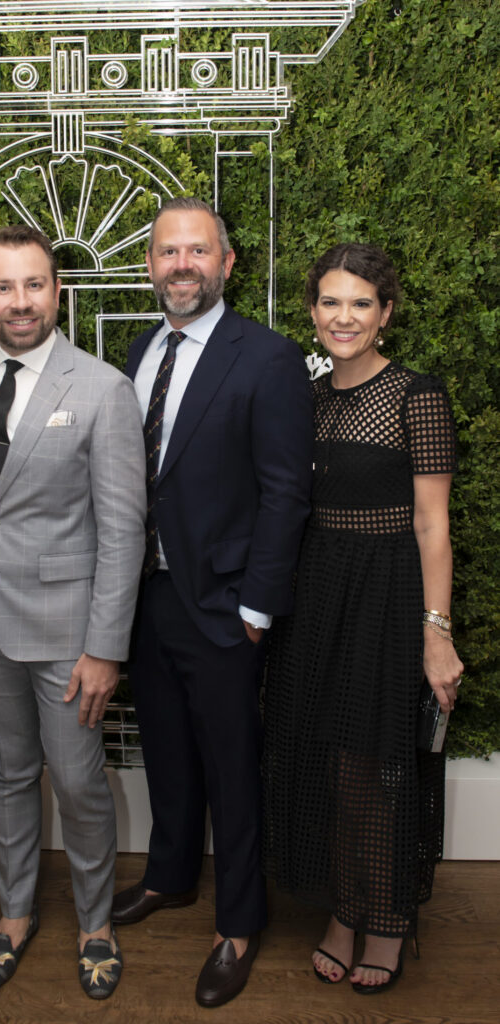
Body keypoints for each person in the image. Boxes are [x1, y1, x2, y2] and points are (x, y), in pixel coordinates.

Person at [112, 197, 313, 1008]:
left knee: (232, 769)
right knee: (163, 749)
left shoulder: (266, 359)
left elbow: (283, 495)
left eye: (197, 251)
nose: (181, 265)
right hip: (147, 598)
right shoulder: (135, 350)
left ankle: (237, 921)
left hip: (226, 605)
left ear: (226, 264)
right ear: (151, 266)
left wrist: (256, 608)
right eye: (167, 252)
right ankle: (170, 876)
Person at [0, 225, 146, 1000]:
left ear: (56, 291)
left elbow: (123, 530)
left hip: (69, 634)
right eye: (3, 287)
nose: (20, 301)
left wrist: (105, 647)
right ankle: (15, 914)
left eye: (34, 284)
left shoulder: (101, 388)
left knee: (78, 781)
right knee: (7, 777)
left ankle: (95, 924)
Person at [263, 243, 463, 994]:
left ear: (384, 313)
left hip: (384, 594)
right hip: (313, 594)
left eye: (359, 303)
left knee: (371, 763)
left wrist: (434, 629)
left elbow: (432, 525)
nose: (342, 317)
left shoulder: (416, 395)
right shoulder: (304, 399)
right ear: (311, 311)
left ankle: (384, 919)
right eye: (329, 302)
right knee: (316, 754)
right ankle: (342, 911)